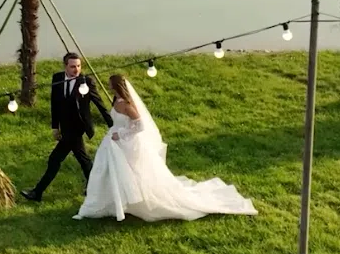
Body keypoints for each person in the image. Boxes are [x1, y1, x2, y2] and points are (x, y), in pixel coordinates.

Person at [74, 75, 257, 222]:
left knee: (128, 172)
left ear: (116, 86)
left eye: (110, 84)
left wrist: (121, 134)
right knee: (106, 171)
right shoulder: (117, 101)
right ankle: (105, 203)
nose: (108, 86)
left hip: (124, 143)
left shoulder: (126, 105)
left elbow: (139, 125)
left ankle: (128, 201)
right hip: (113, 142)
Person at [21, 53, 112, 203]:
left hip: (78, 127)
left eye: (79, 66)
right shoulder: (57, 78)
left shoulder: (86, 81)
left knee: (55, 159)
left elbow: (100, 104)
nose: (76, 69)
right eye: (72, 66)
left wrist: (112, 125)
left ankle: (37, 193)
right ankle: (95, 188)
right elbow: (54, 104)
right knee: (83, 160)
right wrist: (55, 127)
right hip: (65, 127)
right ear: (65, 66)